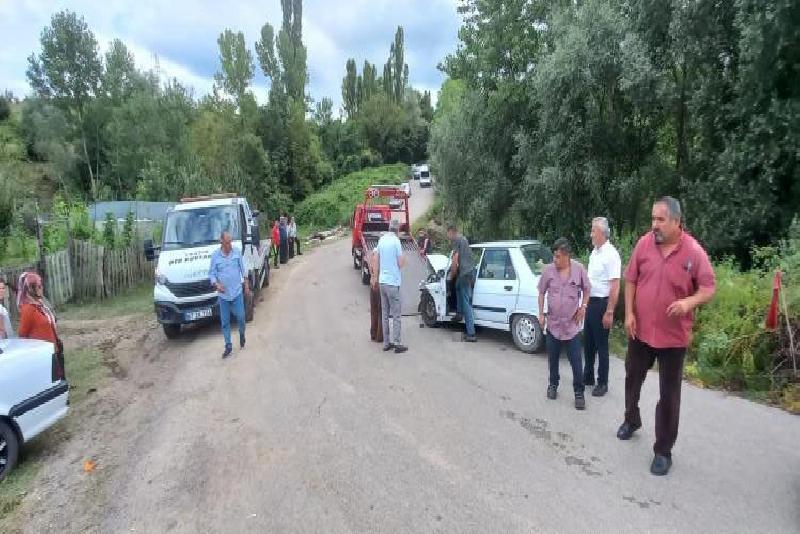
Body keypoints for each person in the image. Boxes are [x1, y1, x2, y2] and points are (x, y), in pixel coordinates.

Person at [617, 196, 715, 476]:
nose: (654, 225)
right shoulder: (644, 244)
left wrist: (688, 303)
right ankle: (631, 419)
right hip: (641, 331)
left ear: (676, 222)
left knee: (669, 396)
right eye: (652, 219)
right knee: (632, 378)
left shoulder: (693, 252)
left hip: (673, 339)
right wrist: (629, 314)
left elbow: (708, 288)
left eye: (660, 220)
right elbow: (631, 278)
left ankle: (663, 451)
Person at [537, 238, 590, 410]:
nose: (555, 259)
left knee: (576, 362)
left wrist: (583, 306)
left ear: (567, 256)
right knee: (552, 360)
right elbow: (541, 292)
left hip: (572, 327)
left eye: (558, 256)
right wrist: (541, 314)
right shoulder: (548, 271)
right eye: (554, 256)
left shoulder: (579, 269)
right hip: (553, 326)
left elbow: (587, 289)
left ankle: (579, 393)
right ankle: (553, 385)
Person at [583, 217, 622, 397]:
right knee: (589, 343)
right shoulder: (594, 252)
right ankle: (588, 376)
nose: (591, 234)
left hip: (602, 304)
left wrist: (609, 311)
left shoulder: (611, 254)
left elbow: (615, 285)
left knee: (601, 345)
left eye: (593, 231)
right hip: (591, 303)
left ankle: (603, 383)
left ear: (602, 233)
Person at [208, 231, 250, 359]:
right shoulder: (215, 256)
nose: (229, 245)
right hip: (224, 296)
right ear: (221, 242)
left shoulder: (236, 252)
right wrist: (216, 284)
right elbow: (211, 274)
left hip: (237, 293)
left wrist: (246, 285)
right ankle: (228, 346)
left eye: (230, 242)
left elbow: (243, 270)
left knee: (241, 318)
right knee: (225, 322)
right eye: (227, 243)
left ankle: (242, 334)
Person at [376, 219, 407, 354]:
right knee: (396, 314)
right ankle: (398, 343)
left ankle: (386, 343)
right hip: (393, 283)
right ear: (398, 229)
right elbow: (400, 264)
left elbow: (376, 258)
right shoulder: (396, 242)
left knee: (385, 314)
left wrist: (375, 277)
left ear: (389, 228)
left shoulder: (382, 240)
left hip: (382, 281)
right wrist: (405, 258)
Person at [447, 225, 476, 342]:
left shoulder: (456, 240)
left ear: (452, 232)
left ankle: (471, 333)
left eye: (447, 233)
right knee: (457, 286)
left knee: (466, 302)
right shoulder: (464, 239)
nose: (447, 236)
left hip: (464, 274)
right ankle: (459, 313)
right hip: (470, 272)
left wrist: (451, 275)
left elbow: (455, 260)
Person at [17, 272, 60, 346]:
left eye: (41, 285)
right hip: (41, 351)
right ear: (30, 289)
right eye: (39, 286)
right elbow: (22, 334)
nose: (42, 288)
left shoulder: (41, 304)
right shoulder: (28, 308)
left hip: (52, 349)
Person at [368, 249, 383, 344]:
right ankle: (379, 335)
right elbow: (377, 268)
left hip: (372, 283)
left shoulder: (373, 253)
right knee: (380, 310)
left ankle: (373, 333)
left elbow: (372, 268)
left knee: (373, 310)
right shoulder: (379, 254)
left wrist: (373, 279)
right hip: (378, 284)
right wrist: (376, 280)